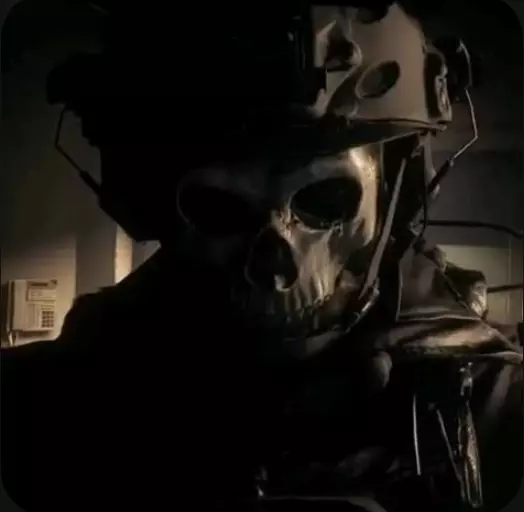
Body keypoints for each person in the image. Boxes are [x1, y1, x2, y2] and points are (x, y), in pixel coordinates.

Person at [2, 2, 522, 511]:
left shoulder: (494, 403)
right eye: (218, 207)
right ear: (147, 205)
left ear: (395, 196)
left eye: (325, 199)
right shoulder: (46, 408)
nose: (276, 271)